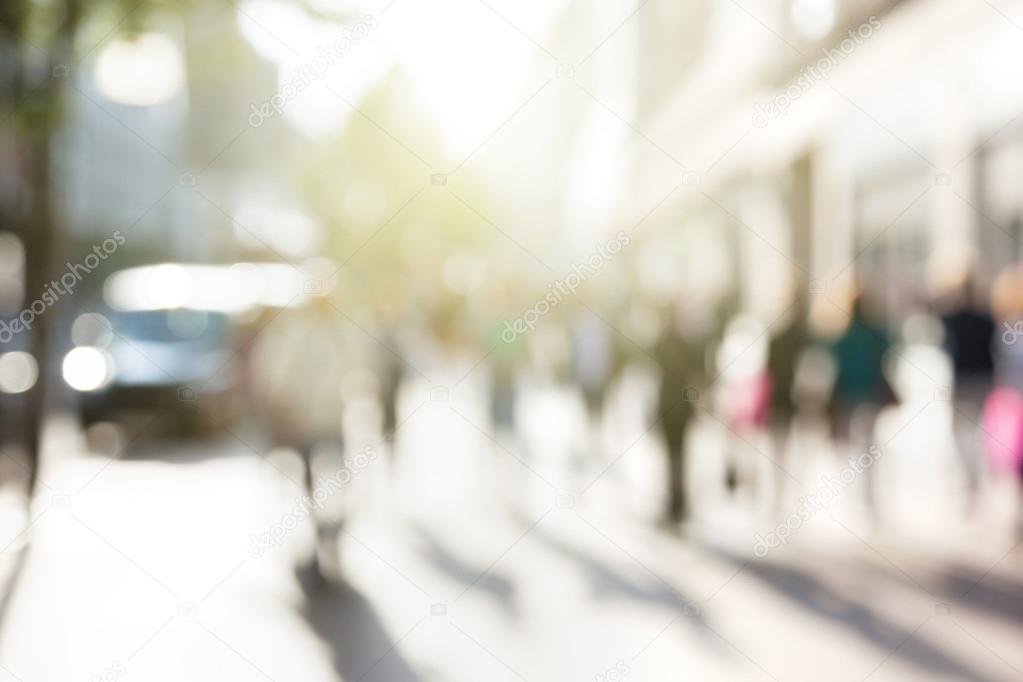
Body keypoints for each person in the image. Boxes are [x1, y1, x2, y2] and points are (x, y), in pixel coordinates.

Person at [828, 292, 892, 522]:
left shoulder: (844, 337)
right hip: (866, 398)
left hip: (852, 398)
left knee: (856, 449)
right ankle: (867, 501)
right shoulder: (874, 335)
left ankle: (859, 500)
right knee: (867, 449)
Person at [937, 277, 994, 514]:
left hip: (967, 381)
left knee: (965, 434)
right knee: (974, 433)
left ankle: (971, 483)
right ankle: (972, 482)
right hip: (979, 379)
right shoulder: (984, 319)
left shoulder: (954, 320)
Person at [654, 303, 709, 525]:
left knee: (676, 456)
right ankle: (676, 500)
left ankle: (677, 500)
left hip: (676, 407)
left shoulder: (671, 343)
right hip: (675, 407)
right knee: (676, 455)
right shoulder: (679, 343)